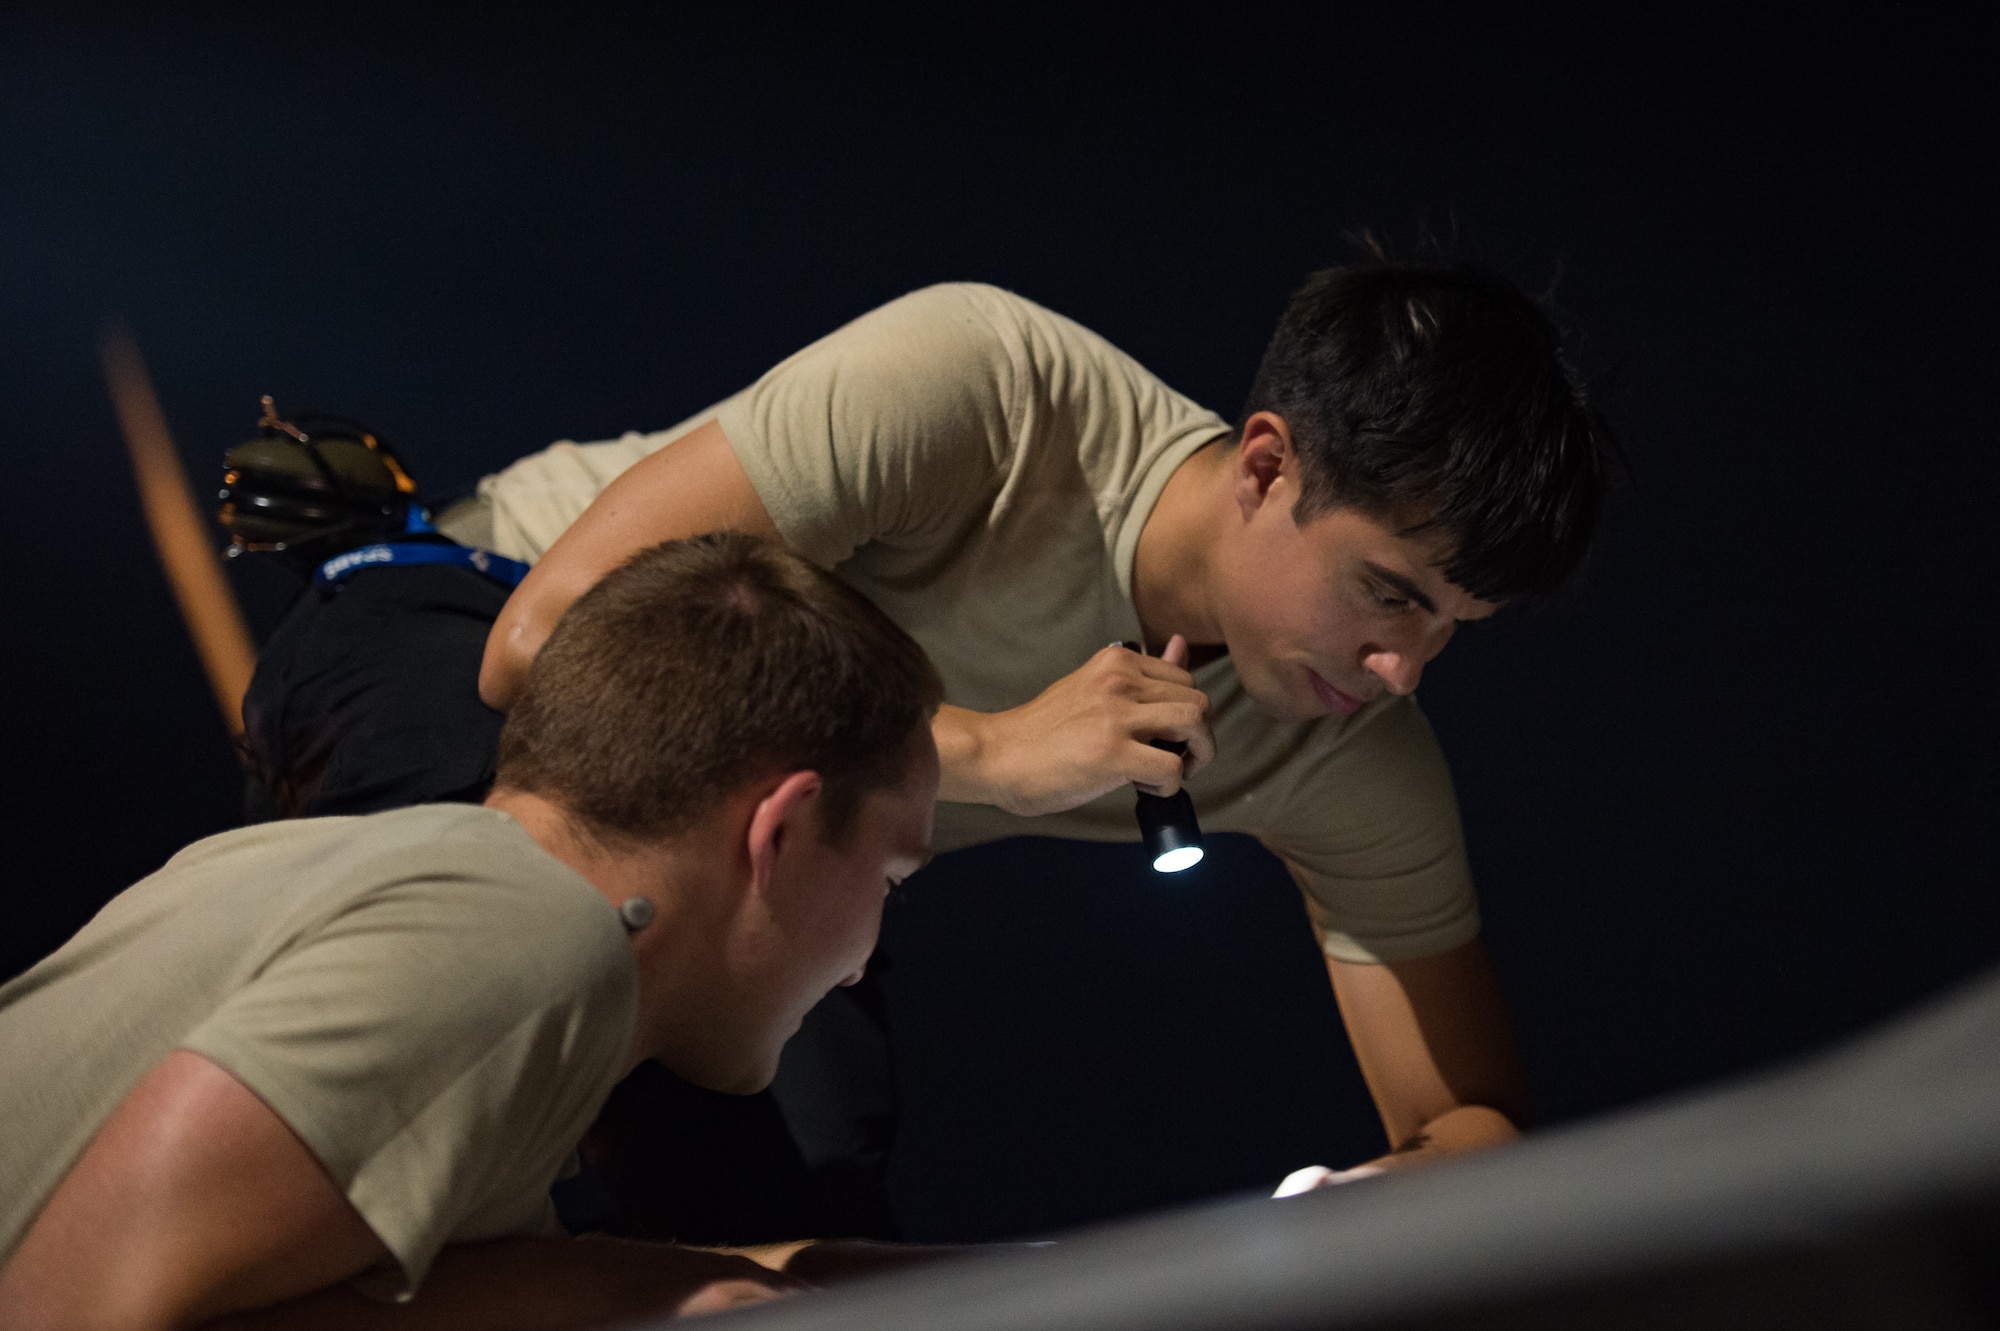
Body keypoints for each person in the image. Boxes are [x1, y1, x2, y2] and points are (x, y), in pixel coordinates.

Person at [237, 246, 1620, 1223]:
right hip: (464, 634)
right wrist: (993, 752)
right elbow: (537, 646)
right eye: (1388, 588)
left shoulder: (1350, 740)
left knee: (812, 1227)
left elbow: (1476, 1123)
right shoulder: (995, 384)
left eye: (1451, 624)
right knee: (534, 979)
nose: (1401, 666)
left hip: (769, 851)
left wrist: (1364, 1203)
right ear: (1267, 464)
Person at [0, 532, 944, 1328]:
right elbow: (59, 1309)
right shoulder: (527, 944)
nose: (861, 965)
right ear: (779, 829)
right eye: (890, 877)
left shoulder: (402, 883)